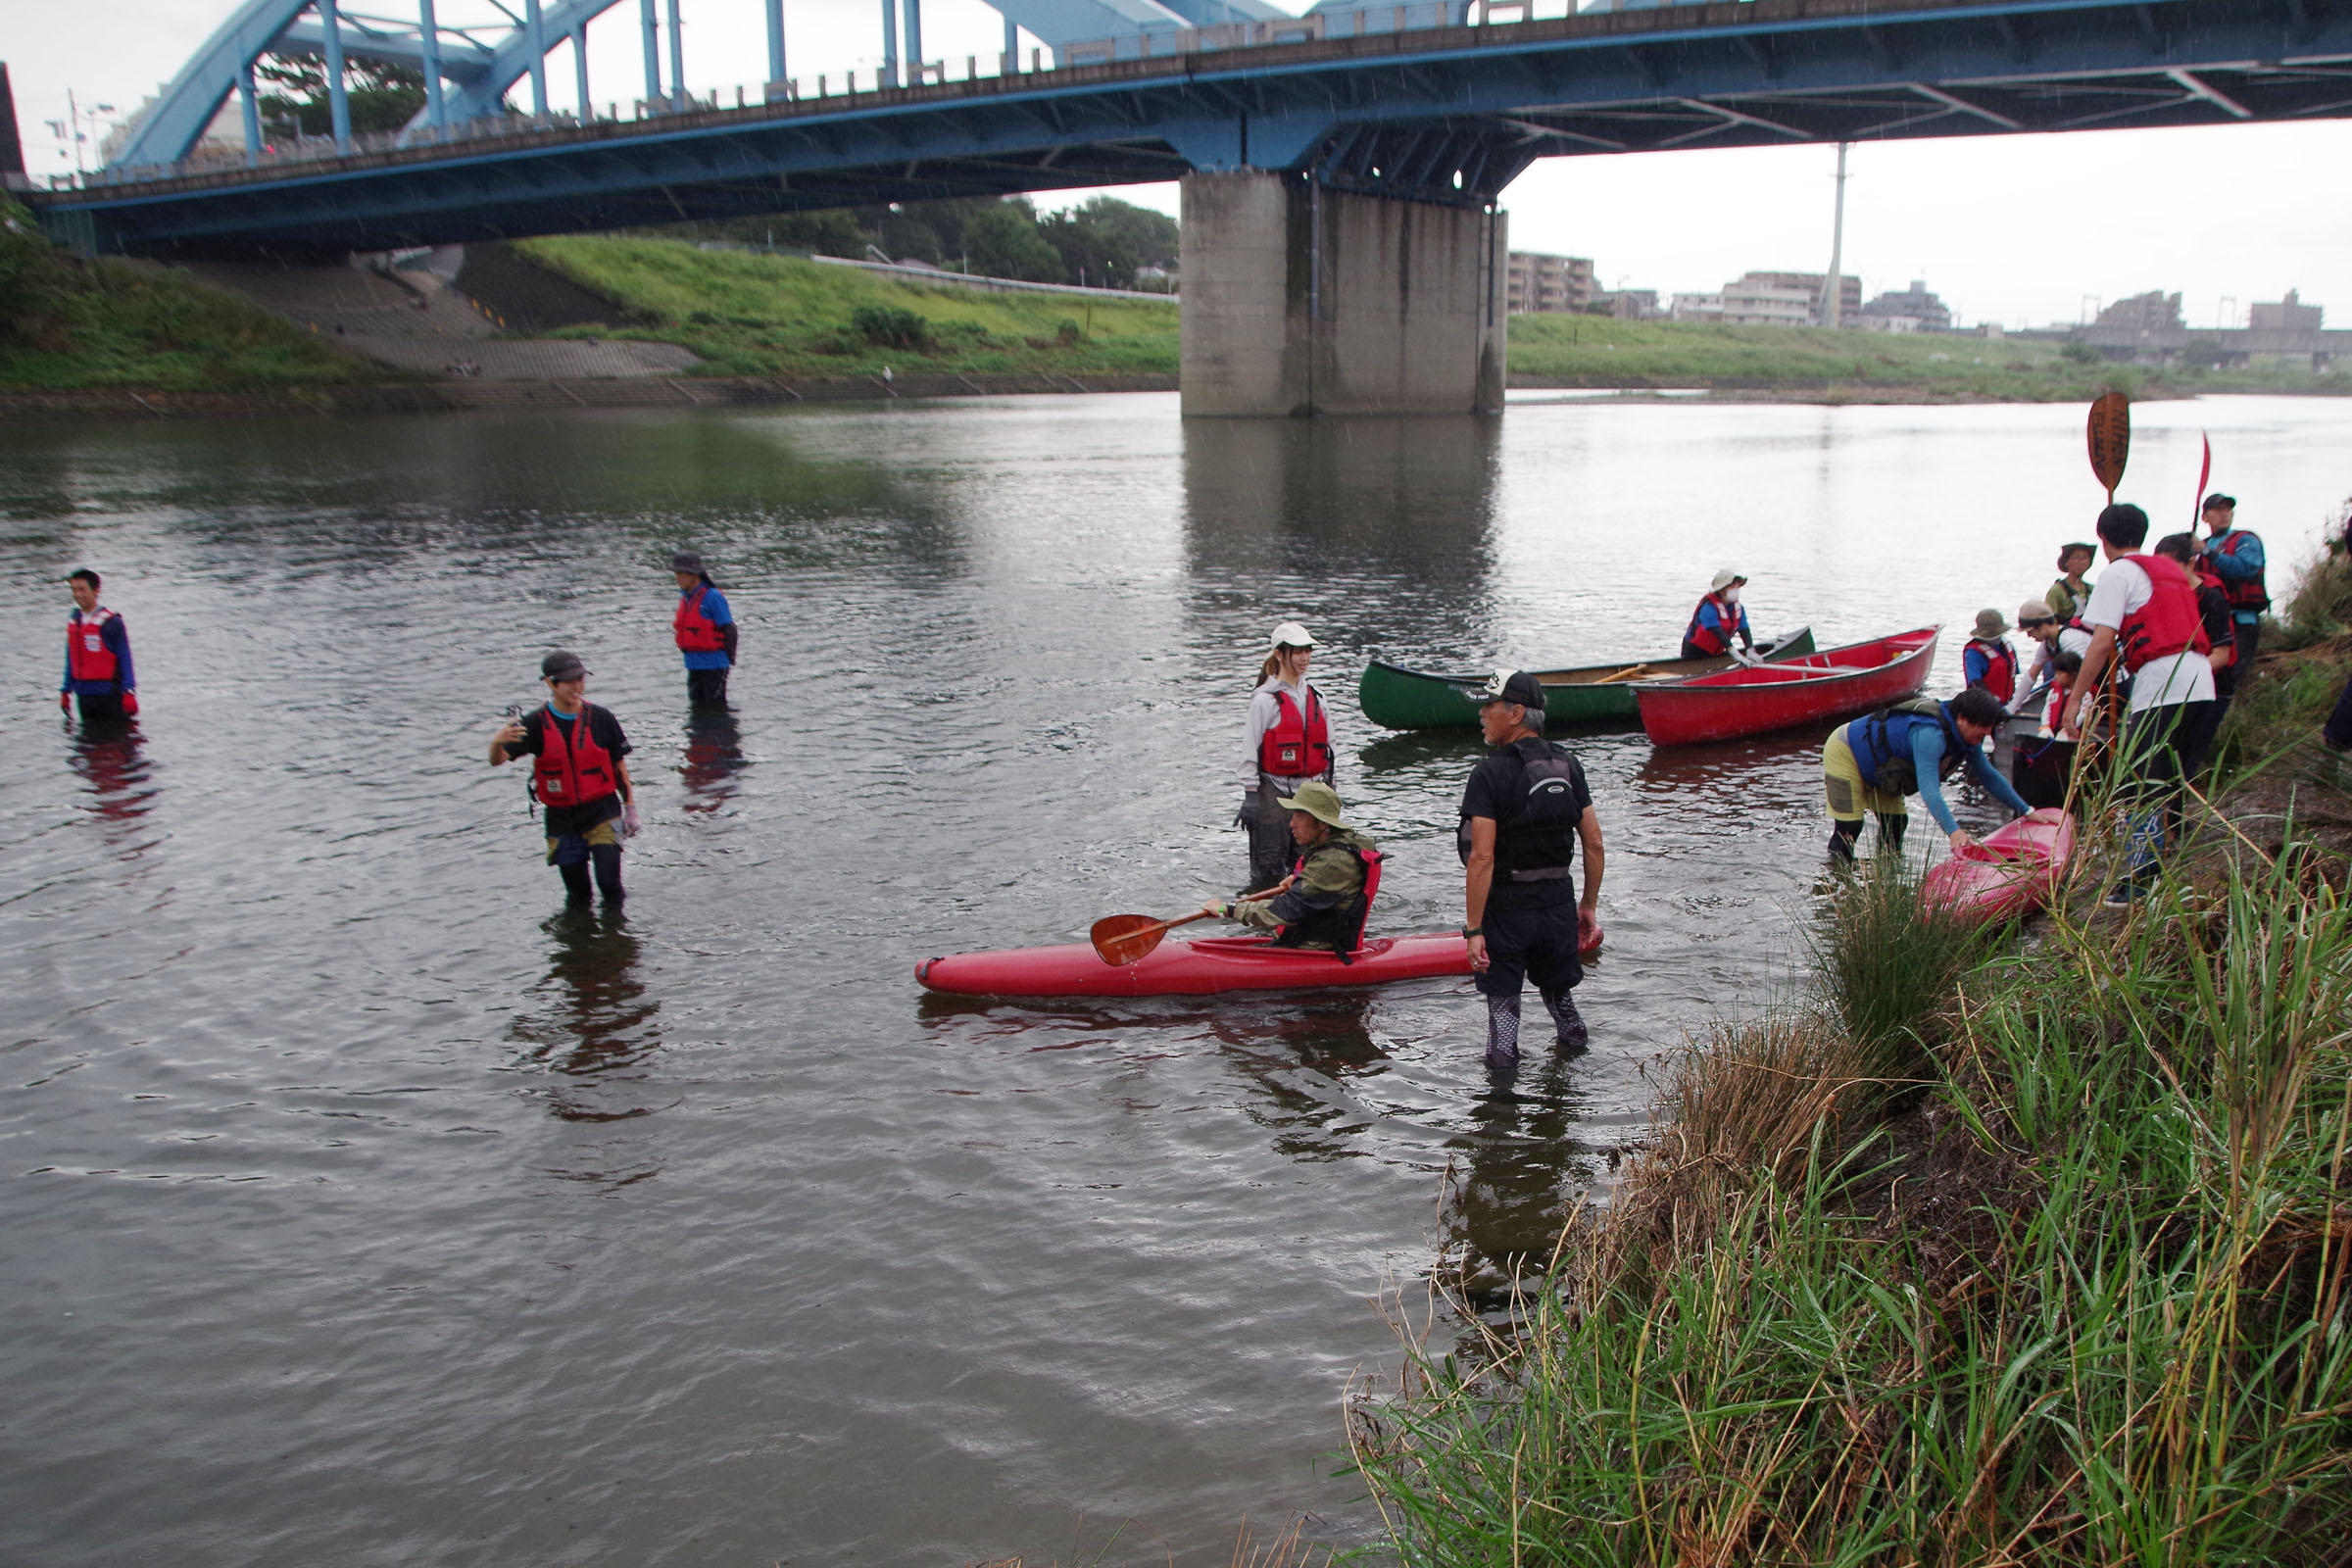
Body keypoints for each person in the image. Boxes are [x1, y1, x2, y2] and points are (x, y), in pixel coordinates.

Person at [2061, 503, 2218, 906]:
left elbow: (2100, 641)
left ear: (2104, 539)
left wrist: (2075, 698)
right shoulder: (2167, 569)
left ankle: (2139, 882)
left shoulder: (2117, 572)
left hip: (2162, 684)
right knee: (2173, 776)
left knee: (2141, 786)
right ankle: (2169, 859)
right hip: (2201, 680)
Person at [1459, 670, 1604, 1078]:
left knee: (1503, 1033)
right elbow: (1593, 843)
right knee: (1565, 1012)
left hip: (1507, 911)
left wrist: (1473, 930)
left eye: (1488, 706)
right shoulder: (1568, 764)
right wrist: (1587, 906)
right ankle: (1571, 1098)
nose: (1482, 714)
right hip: (1557, 906)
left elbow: (1482, 858)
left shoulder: (1488, 774)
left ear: (1516, 713)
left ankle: (1500, 1120)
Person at [490, 651, 640, 906]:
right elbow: (498, 759)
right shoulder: (534, 724)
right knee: (578, 894)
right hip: (561, 819)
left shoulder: (602, 718)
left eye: (580, 678)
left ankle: (616, 940)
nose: (577, 686)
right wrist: (496, 742)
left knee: (610, 885)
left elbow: (618, 766)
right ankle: (583, 938)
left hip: (603, 811)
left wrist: (631, 808)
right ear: (550, 683)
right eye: (570, 681)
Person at [1823, 686, 2033, 860]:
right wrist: (1954, 831)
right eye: (1983, 727)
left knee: (1896, 824)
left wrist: (2027, 811)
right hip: (1845, 751)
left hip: (1880, 768)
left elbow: (1989, 776)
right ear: (1962, 719)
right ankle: (1836, 879)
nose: (1988, 733)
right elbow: (1930, 790)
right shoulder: (1929, 735)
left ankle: (1886, 873)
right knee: (1849, 827)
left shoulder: (1967, 738)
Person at [1198, 782, 1381, 956]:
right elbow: (1321, 888)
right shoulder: (1334, 848)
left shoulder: (1333, 862)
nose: (1291, 823)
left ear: (1323, 823)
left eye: (1299, 815)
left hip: (1317, 952)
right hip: (1305, 943)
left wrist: (1228, 909)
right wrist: (1300, 880)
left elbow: (1287, 910)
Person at [1235, 621, 1336, 895]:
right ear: (1280, 654)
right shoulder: (1264, 701)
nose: (1305, 658)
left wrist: (1330, 794)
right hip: (1273, 792)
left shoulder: (1317, 698)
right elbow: (1249, 750)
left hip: (1310, 792)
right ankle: (1262, 924)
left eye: (1308, 651)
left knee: (1306, 865)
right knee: (1268, 868)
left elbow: (1329, 749)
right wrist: (1250, 796)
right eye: (1298, 651)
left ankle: (1299, 923)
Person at [2153, 530, 2235, 775]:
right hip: (2174, 689)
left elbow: (2222, 654)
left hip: (2210, 690)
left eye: (2172, 566)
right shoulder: (2164, 598)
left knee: (2185, 762)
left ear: (2191, 563)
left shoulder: (2211, 599)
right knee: (2160, 759)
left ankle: (2177, 811)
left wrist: (2180, 674)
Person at [2196, 495, 2265, 722]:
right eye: (2217, 510)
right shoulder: (2199, 547)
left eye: (2227, 510)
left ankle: (2227, 724)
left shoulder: (2246, 541)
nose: (2224, 514)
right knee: (2213, 677)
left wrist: (2207, 552)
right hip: (2212, 622)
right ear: (2205, 517)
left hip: (2242, 621)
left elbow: (2244, 568)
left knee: (2230, 676)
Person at [59, 567, 137, 726]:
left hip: (109, 695)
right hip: (84, 696)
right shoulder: (75, 622)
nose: (77, 594)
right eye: (74, 589)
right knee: (87, 745)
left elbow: (125, 657)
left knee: (117, 743)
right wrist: (65, 691)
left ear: (96, 590)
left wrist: (129, 690)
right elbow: (70, 659)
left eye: (82, 589)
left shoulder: (111, 623)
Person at [670, 550, 737, 707]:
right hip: (693, 664)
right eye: (676, 573)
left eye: (681, 573)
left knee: (715, 710)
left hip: (714, 665)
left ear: (694, 575)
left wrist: (728, 659)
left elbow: (730, 629)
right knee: (697, 707)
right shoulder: (687, 597)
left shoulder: (712, 597)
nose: (677, 577)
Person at [2019, 598, 2093, 690]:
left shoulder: (2069, 639)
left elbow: (2087, 672)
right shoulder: (2047, 645)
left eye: (2030, 631)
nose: (2029, 635)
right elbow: (2031, 676)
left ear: (2043, 626)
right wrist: (2014, 704)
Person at [1681, 569, 1753, 661]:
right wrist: (1735, 653)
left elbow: (1744, 629)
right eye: (1732, 586)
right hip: (1695, 651)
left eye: (1737, 586)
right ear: (1722, 590)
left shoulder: (1738, 608)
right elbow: (1718, 632)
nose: (1736, 588)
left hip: (1716, 651)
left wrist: (1750, 649)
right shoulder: (1708, 607)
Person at [2045, 543, 2098, 625]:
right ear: (2066, 562)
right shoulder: (2057, 591)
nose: (2080, 562)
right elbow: (2048, 621)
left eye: (2084, 558)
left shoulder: (2093, 589)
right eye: (2076, 558)